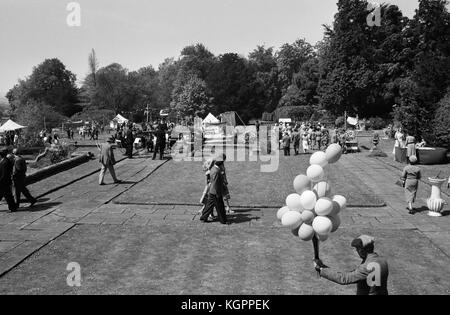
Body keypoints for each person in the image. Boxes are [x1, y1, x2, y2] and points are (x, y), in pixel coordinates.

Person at [315, 235, 389, 295]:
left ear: (362, 250)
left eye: (357, 249)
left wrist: (321, 269)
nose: (357, 251)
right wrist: (324, 266)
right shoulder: (383, 261)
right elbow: (355, 273)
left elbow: (343, 279)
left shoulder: (366, 267)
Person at [200, 156, 229, 225]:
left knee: (209, 206)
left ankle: (203, 218)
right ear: (221, 164)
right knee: (220, 207)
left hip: (212, 191)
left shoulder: (213, 168)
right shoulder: (216, 171)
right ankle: (223, 220)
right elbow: (216, 183)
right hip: (216, 192)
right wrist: (218, 193)